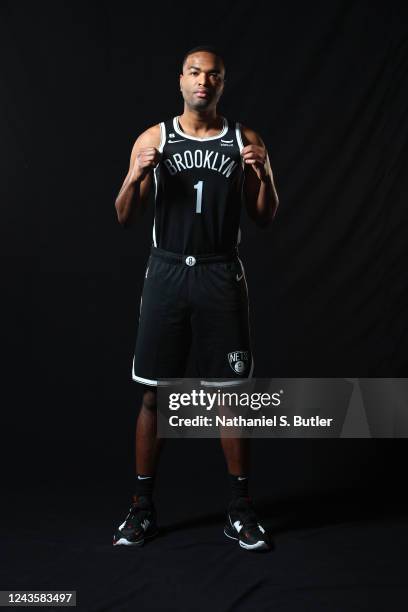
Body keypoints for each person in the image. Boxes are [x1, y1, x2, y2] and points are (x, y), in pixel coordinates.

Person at [113, 45, 279, 551]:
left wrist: (264, 172)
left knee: (230, 394)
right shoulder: (154, 137)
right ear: (181, 80)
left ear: (222, 85)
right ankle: (142, 509)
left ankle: (240, 509)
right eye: (194, 73)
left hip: (219, 272)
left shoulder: (244, 139)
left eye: (214, 76)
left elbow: (266, 216)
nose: (203, 82)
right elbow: (124, 215)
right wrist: (136, 174)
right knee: (153, 394)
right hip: (167, 272)